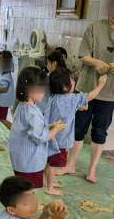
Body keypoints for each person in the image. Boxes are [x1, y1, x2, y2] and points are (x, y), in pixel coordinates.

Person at [60, 0, 114, 183]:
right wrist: (97, 63)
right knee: (78, 127)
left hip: (110, 92)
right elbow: (83, 55)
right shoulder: (95, 27)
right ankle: (71, 164)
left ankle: (92, 170)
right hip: (87, 88)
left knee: (99, 131)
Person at [44, 67, 107, 195]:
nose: (74, 81)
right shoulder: (71, 98)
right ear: (65, 86)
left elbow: (62, 110)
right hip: (60, 141)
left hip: (49, 136)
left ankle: (47, 181)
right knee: (52, 165)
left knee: (48, 162)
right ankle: (50, 187)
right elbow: (90, 96)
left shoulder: (53, 97)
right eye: (71, 80)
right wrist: (101, 84)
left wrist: (77, 108)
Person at [9, 66, 65, 189]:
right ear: (30, 90)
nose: (44, 93)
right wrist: (55, 130)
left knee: (22, 187)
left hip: (21, 159)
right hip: (29, 162)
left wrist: (50, 126)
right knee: (28, 189)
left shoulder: (23, 106)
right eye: (41, 89)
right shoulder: (32, 112)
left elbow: (32, 129)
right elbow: (40, 137)